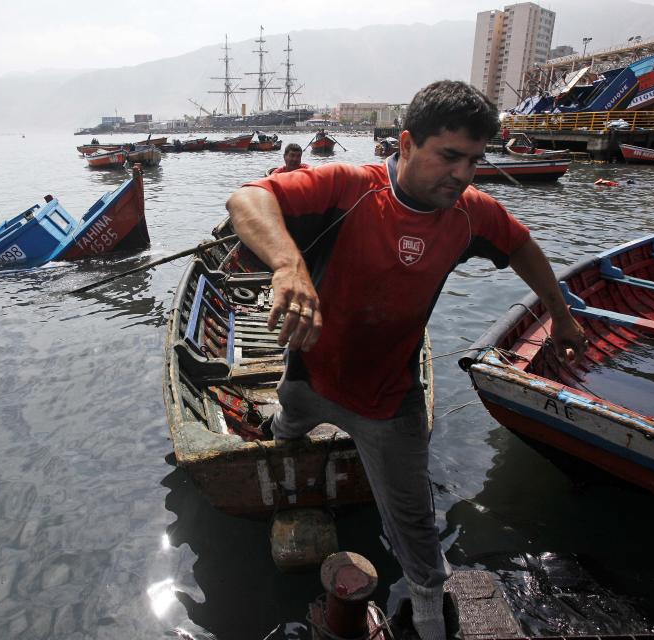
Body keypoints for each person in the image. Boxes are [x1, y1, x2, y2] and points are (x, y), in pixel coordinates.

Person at [226, 80, 587, 640]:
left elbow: (521, 246)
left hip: (387, 401)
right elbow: (249, 199)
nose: (463, 174)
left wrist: (562, 318)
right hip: (311, 374)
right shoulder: (350, 186)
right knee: (287, 424)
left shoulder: (472, 214)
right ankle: (281, 430)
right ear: (407, 143)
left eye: (474, 159)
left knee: (417, 531)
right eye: (449, 156)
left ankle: (427, 618)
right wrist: (287, 265)